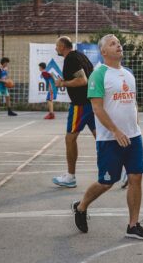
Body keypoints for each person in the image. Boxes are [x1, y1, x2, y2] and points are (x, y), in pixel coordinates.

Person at [72, 34, 143, 240]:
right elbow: (97, 109)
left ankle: (133, 226)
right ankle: (81, 207)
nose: (118, 46)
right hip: (109, 139)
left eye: (119, 43)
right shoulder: (98, 74)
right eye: (113, 43)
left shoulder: (128, 73)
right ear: (103, 51)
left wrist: (136, 127)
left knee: (136, 178)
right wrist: (116, 131)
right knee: (107, 182)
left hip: (133, 137)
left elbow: (133, 103)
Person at [52, 36, 96, 188]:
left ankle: (70, 177)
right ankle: (123, 170)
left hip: (81, 105)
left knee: (70, 139)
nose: (56, 48)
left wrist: (62, 83)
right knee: (102, 139)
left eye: (57, 46)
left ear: (63, 46)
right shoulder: (81, 56)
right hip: (92, 103)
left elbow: (83, 80)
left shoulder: (70, 59)